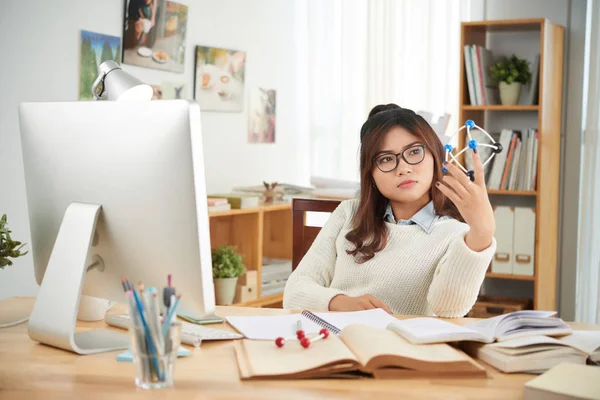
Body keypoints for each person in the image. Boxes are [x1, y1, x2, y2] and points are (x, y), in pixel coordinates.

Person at [283, 104, 496, 317]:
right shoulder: (349, 213)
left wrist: (481, 235)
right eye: (386, 159)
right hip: (333, 338)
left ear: (435, 157)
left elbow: (449, 309)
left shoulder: (456, 234)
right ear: (371, 174)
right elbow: (294, 292)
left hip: (401, 347)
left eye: (414, 152)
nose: (403, 168)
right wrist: (339, 302)